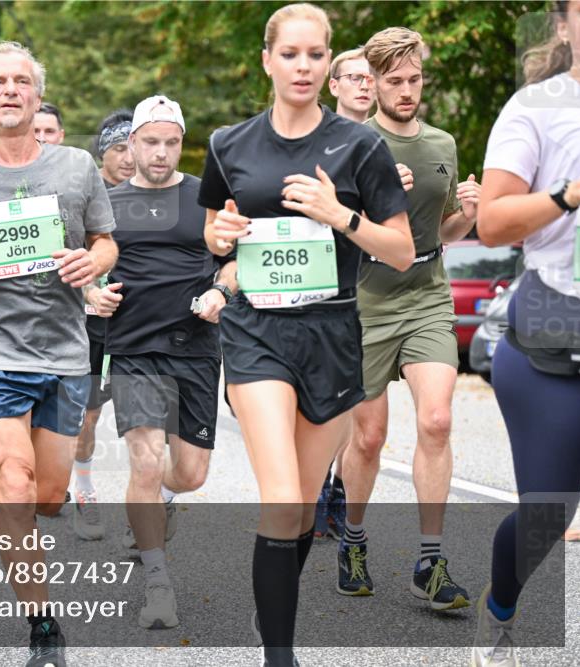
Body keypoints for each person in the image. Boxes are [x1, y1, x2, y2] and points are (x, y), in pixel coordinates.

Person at [201, 4, 414, 665]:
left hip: (331, 334)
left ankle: (273, 616)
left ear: (328, 63)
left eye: (315, 54)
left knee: (296, 512)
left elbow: (402, 250)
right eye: (289, 53)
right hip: (256, 331)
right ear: (266, 60)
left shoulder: (361, 146)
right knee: (282, 495)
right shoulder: (228, 144)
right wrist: (219, 237)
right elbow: (214, 236)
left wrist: (339, 214)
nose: (302, 65)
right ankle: (280, 655)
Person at [0, 41, 117, 667]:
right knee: (15, 481)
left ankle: (25, 537)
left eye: (21, 82)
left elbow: (105, 240)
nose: (10, 90)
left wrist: (95, 261)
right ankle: (43, 629)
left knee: (49, 497)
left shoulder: (77, 168)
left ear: (36, 98)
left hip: (62, 351)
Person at [338, 27, 481, 611]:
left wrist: (466, 216)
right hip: (365, 298)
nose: (406, 91)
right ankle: (352, 540)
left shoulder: (442, 145)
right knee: (368, 438)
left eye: (413, 79)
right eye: (393, 81)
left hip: (426, 292)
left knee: (439, 419)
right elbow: (328, 223)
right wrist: (369, 198)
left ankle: (429, 559)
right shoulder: (349, 141)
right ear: (371, 83)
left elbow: (442, 231)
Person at [470, 2, 580, 664]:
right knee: (546, 514)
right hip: (553, 340)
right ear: (564, 27)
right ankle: (501, 609)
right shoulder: (534, 110)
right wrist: (570, 194)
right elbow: (492, 221)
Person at [103, 95, 235, 629]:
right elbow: (85, 264)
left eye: (171, 143)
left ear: (183, 144)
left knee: (189, 474)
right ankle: (157, 583)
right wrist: (93, 291)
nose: (161, 153)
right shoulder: (107, 203)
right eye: (150, 142)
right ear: (130, 143)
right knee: (144, 459)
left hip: (196, 347)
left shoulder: (206, 199)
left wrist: (221, 293)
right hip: (134, 346)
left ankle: (161, 499)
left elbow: (232, 264)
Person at [312, 46, 377, 540]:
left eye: (369, 76)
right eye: (352, 76)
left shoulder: (386, 142)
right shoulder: (316, 139)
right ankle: (313, 488)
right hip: (319, 286)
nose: (364, 84)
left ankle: (334, 490)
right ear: (333, 85)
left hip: (376, 286)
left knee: (358, 408)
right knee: (325, 402)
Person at [68, 108, 137, 539]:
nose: (129, 156)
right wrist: (88, 291)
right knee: (88, 418)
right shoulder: (83, 194)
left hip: (138, 324)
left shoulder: (153, 194)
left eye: (134, 145)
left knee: (145, 420)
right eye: (118, 148)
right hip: (91, 323)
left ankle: (145, 508)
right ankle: (86, 488)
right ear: (102, 154)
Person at [96, 109, 136, 188]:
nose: (129, 160)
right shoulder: (86, 188)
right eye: (120, 150)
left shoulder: (151, 189)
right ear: (102, 153)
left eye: (135, 150)